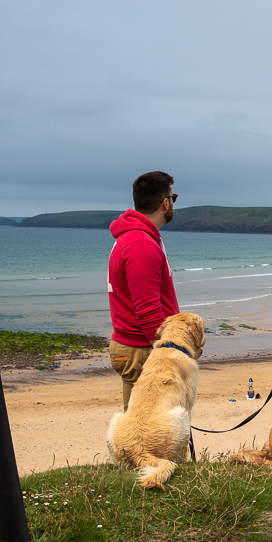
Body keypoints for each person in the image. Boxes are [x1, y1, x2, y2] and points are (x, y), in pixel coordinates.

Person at [107, 171, 180, 410]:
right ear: (165, 203)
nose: (172, 203)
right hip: (143, 350)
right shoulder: (140, 244)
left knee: (147, 428)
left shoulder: (139, 238)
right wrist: (171, 351)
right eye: (173, 197)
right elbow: (148, 311)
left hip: (141, 348)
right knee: (145, 432)